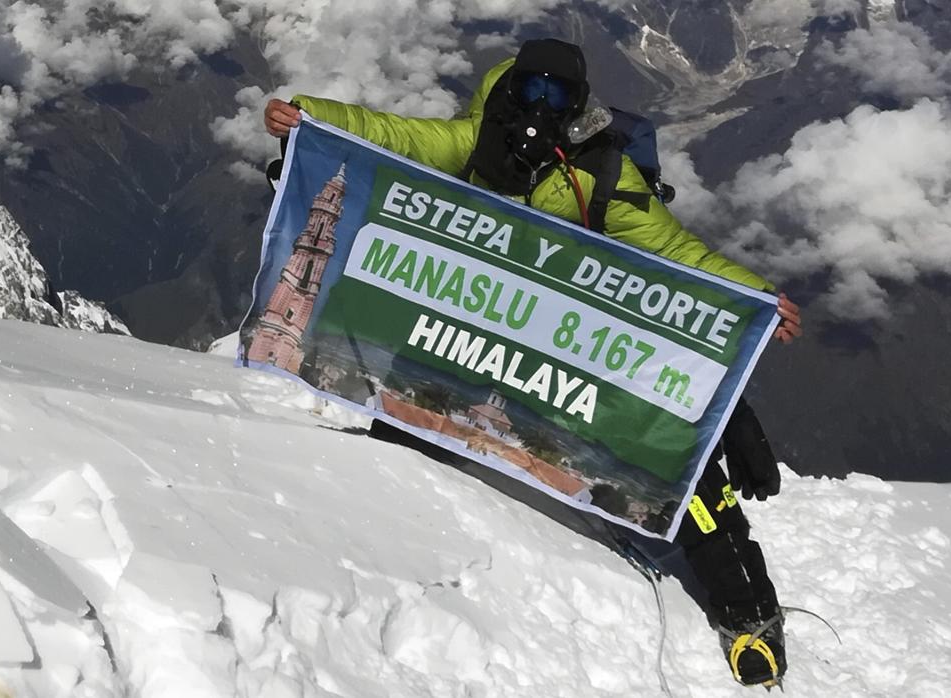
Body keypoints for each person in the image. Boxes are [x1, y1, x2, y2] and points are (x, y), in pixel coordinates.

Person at [263, 38, 800, 687]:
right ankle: (366, 537)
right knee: (402, 427)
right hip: (477, 337)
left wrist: (756, 299)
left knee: (673, 460)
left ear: (574, 106)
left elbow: (675, 250)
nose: (539, 107)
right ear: (510, 89)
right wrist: (309, 118)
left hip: (572, 347)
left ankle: (749, 619)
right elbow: (394, 137)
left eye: (557, 95)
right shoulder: (472, 142)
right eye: (530, 89)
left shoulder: (600, 174)